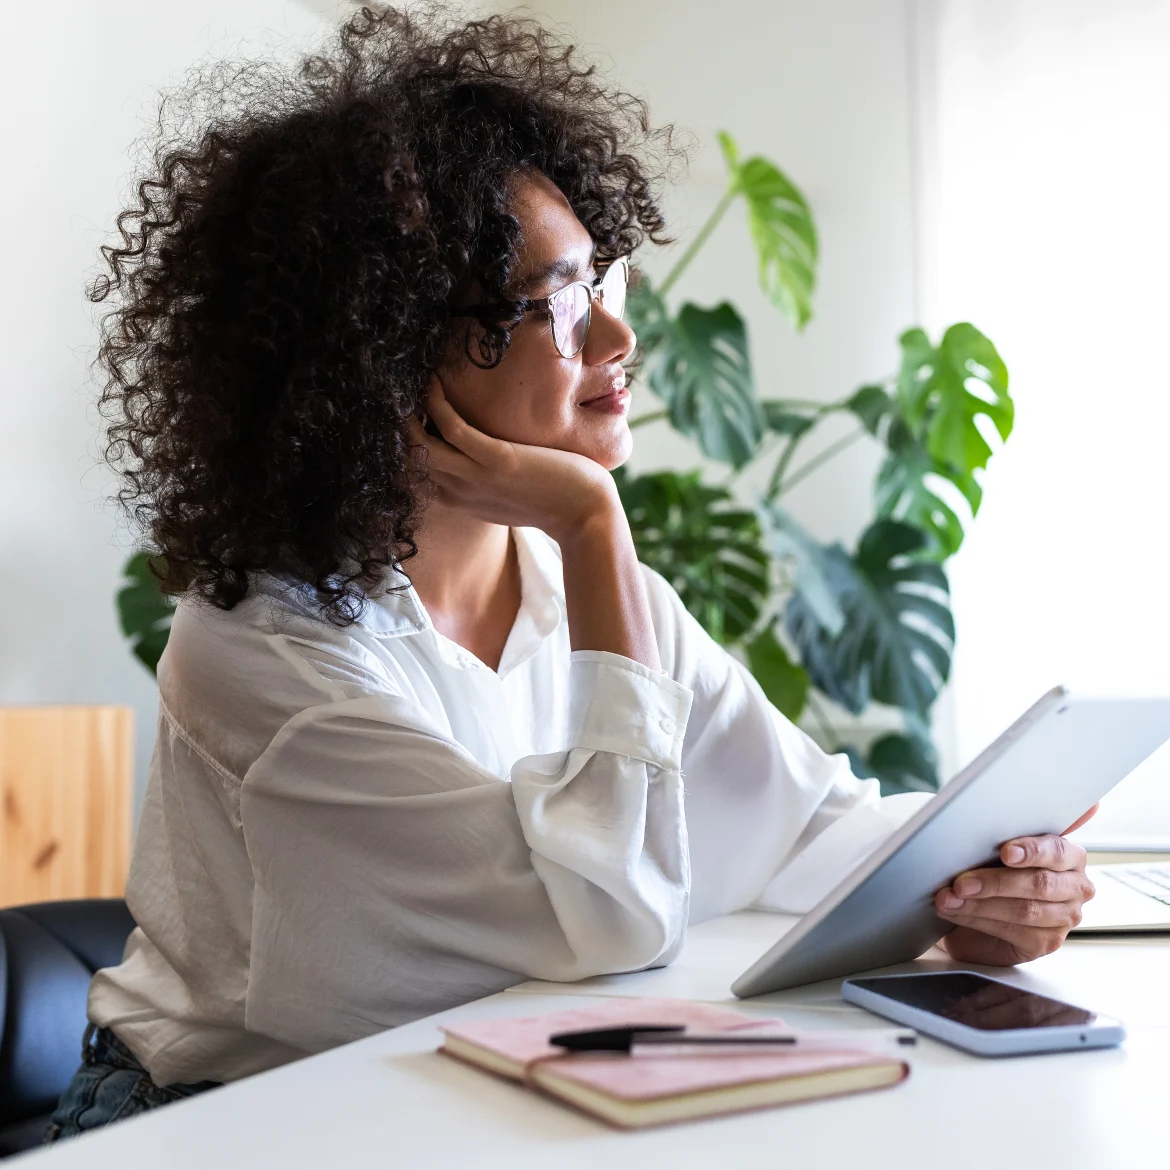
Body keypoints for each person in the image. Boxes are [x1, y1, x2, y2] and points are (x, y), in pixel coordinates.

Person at [49, 4, 1095, 1141]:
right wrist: (594, 528)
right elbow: (614, 914)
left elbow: (803, 831)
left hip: (454, 1102)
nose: (613, 338)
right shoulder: (268, 651)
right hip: (217, 1124)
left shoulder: (588, 600)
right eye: (551, 300)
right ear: (385, 351)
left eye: (604, 280)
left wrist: (979, 891)